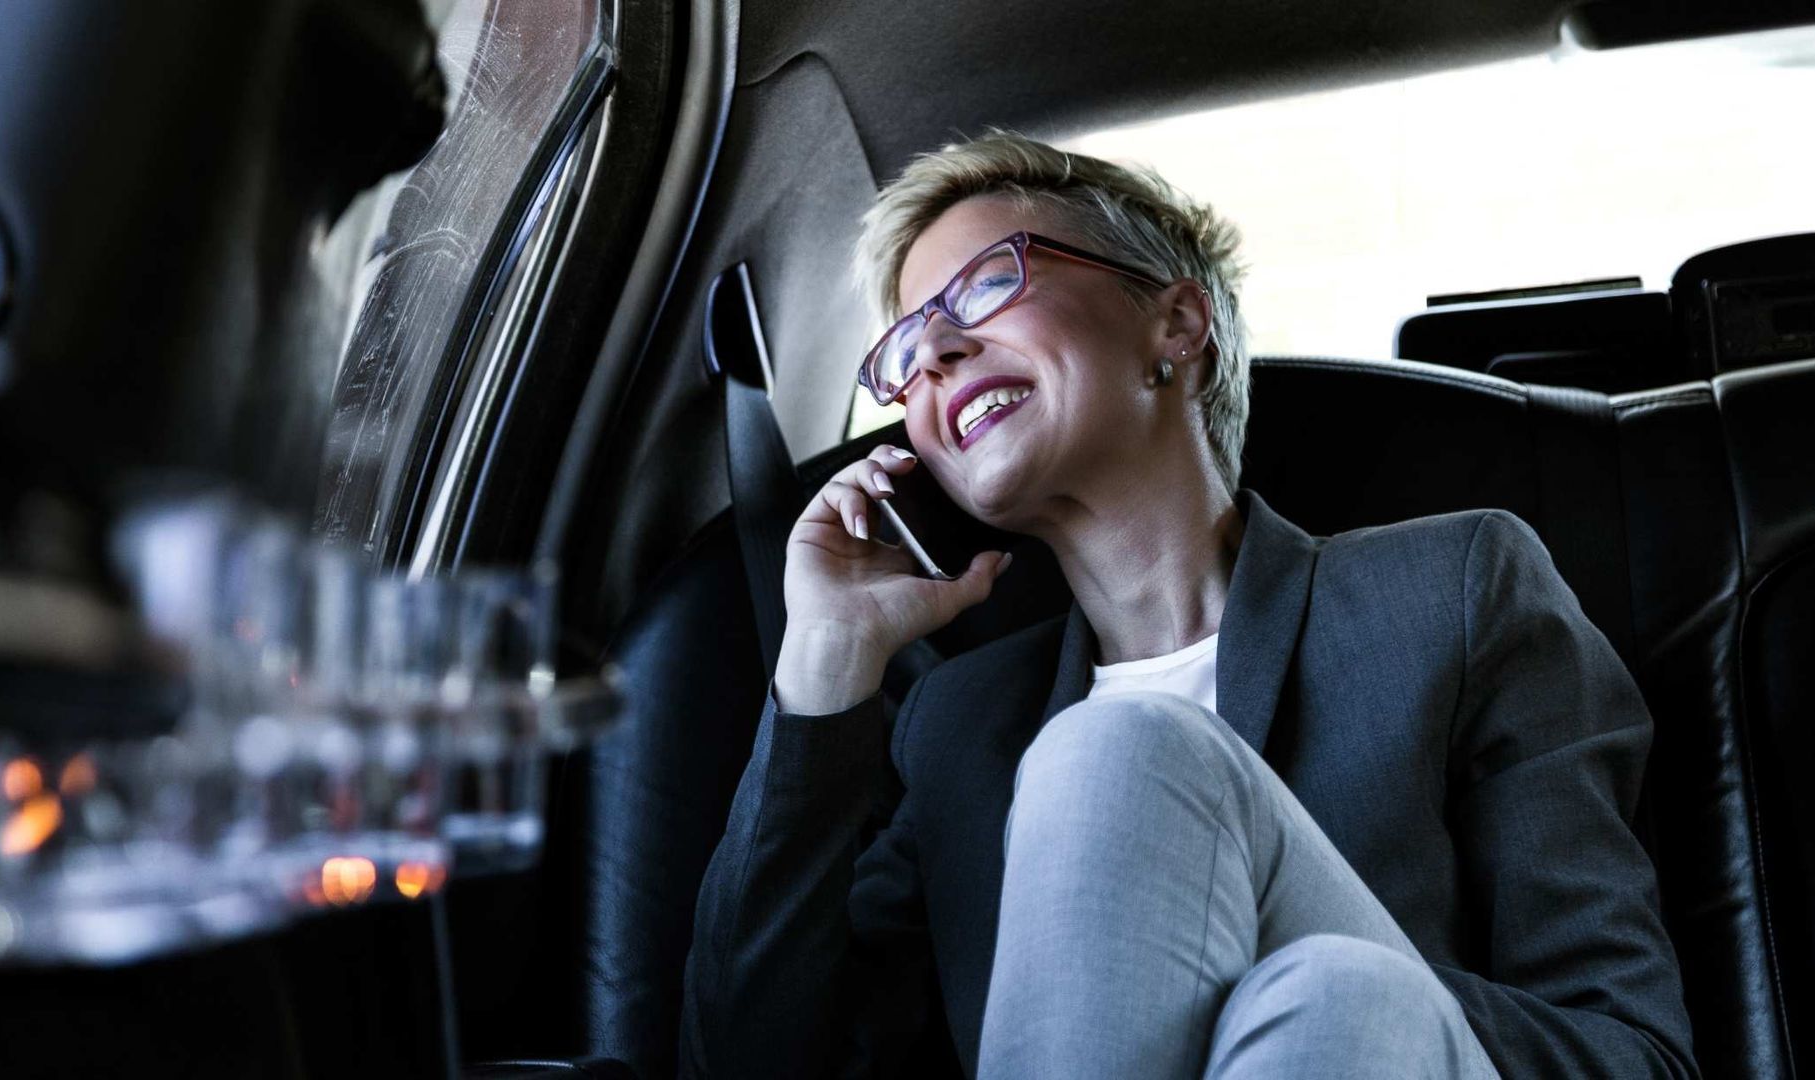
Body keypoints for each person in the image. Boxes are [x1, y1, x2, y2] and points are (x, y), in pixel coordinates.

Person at [680, 131, 1696, 1079]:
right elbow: (750, 1062)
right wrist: (824, 665)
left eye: (987, 285)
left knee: (1326, 987)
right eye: (904, 350)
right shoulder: (957, 729)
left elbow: (1627, 1052)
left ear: (1175, 320)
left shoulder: (1452, 593)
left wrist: (1289, 971)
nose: (934, 353)